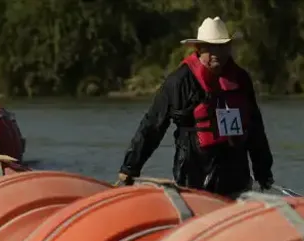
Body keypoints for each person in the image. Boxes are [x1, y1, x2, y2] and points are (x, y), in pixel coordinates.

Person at [116, 17, 274, 198]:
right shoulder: (179, 81)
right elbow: (153, 125)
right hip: (194, 178)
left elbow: (255, 126)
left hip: (236, 178)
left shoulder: (241, 79)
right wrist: (130, 167)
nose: (218, 53)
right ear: (198, 49)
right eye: (211, 47)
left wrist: (263, 170)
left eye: (222, 47)